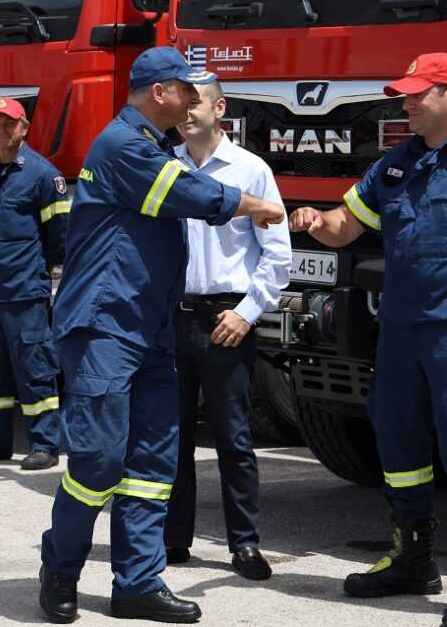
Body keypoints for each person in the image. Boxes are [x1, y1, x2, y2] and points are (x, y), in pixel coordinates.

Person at [288, 53, 447, 627]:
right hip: (400, 332)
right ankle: (411, 559)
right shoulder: (397, 165)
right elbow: (346, 227)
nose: (405, 105)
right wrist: (311, 220)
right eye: (403, 95)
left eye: (416, 95)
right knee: (399, 443)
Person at [38, 47, 285, 625]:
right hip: (105, 325)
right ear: (159, 93)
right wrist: (255, 206)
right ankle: (61, 571)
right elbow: (192, 196)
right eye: (186, 91)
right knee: (98, 459)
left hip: (148, 327)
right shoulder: (124, 145)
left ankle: (138, 583)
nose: (194, 102)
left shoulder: (151, 144)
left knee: (153, 463)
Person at [163, 80, 290, 581]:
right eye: (180, 102)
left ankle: (245, 543)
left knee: (234, 438)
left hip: (225, 320)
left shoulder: (251, 170)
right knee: (169, 438)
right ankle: (173, 541)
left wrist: (247, 313)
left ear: (220, 109)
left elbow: (277, 252)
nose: (186, 110)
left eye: (195, 101)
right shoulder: (165, 165)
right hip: (171, 318)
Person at [0, 97, 68, 471]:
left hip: (24, 292)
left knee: (35, 368)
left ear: (24, 128)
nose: (1, 130)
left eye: (9, 123)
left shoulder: (42, 175)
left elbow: (59, 237)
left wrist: (38, 270)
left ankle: (46, 444)